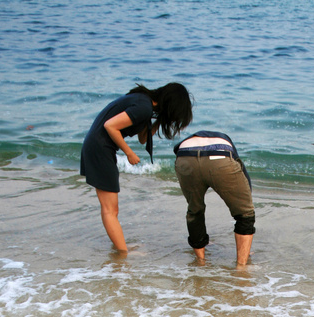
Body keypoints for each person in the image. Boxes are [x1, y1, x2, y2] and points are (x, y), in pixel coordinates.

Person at [81, 83, 192, 252]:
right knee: (110, 209)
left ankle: (119, 246)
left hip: (98, 146)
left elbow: (143, 138)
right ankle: (123, 254)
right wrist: (129, 153)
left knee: (111, 208)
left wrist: (159, 121)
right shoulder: (143, 106)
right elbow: (110, 126)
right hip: (99, 148)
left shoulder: (144, 102)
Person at [174, 131, 255, 266]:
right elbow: (246, 185)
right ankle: (241, 267)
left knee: (195, 210)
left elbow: (176, 150)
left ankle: (200, 261)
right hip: (220, 156)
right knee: (245, 214)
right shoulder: (227, 143)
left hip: (185, 155)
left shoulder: (193, 138)